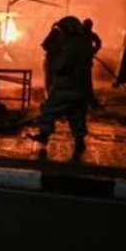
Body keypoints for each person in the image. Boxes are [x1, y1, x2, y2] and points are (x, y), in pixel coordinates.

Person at [29, 16, 95, 158]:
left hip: (66, 87)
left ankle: (44, 135)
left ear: (69, 30)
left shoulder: (71, 46)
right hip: (80, 89)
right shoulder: (83, 44)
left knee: (49, 111)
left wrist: (54, 62)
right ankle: (79, 143)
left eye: (63, 30)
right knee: (76, 116)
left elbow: (62, 66)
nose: (62, 33)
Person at [82, 18, 102, 108]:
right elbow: (98, 43)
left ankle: (89, 101)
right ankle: (89, 101)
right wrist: (93, 51)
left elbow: (98, 42)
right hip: (83, 63)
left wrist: (93, 51)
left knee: (85, 83)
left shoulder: (81, 35)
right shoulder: (86, 35)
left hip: (83, 63)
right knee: (86, 84)